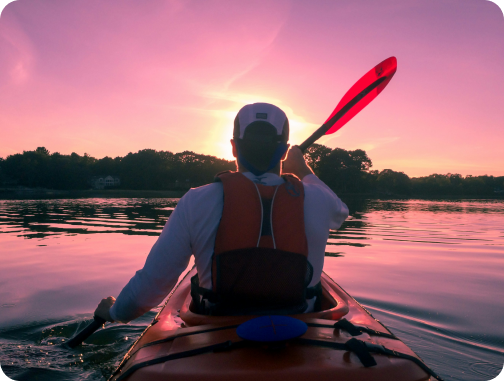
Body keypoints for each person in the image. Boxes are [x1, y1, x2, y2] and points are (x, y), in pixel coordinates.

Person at [95, 103, 349, 322]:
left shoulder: (196, 201)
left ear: (233, 147)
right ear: (283, 150)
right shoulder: (318, 199)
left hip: (218, 330)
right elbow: (341, 212)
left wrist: (114, 312)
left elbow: (150, 287)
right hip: (302, 329)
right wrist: (303, 168)